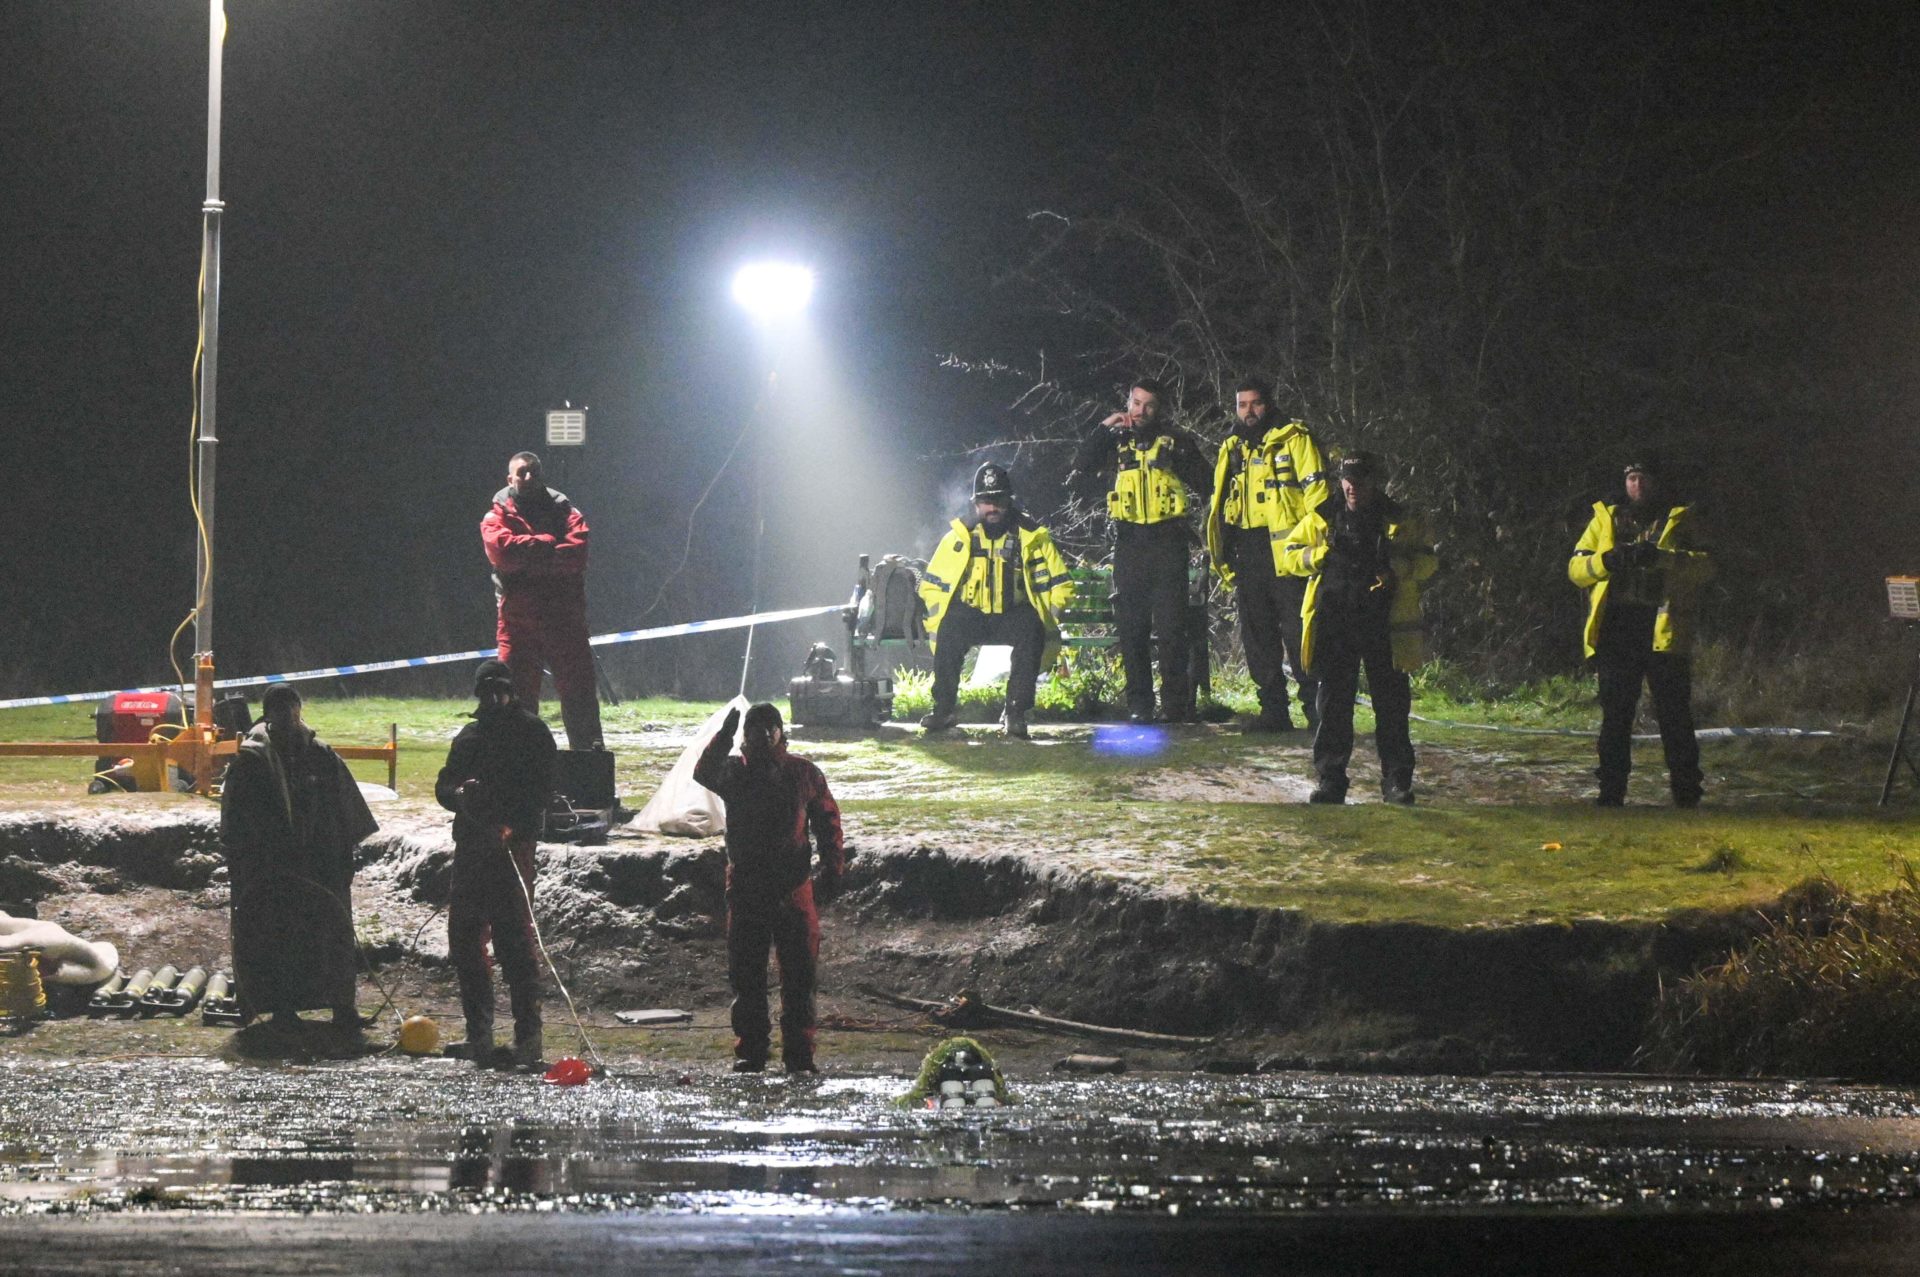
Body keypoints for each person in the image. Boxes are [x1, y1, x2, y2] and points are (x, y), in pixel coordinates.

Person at [693, 702, 845, 1074]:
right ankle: (751, 1053)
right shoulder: (733, 772)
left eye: (770, 727)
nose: (764, 734)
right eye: (756, 728)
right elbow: (703, 771)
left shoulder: (803, 773)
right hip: (747, 892)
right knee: (747, 980)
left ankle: (800, 1055)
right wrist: (723, 735)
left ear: (781, 731)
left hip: (793, 892)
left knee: (799, 981)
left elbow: (828, 823)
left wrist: (832, 869)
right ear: (746, 735)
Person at [1280, 452, 1438, 804]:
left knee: (1392, 705)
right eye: (1348, 480)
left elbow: (1428, 561)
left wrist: (1395, 569)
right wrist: (1319, 556)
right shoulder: (1323, 515)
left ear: (1374, 482)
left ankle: (1396, 781)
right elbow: (1290, 554)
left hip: (1385, 623)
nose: (1353, 488)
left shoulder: (1397, 518)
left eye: (1360, 481)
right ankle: (1331, 780)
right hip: (1336, 621)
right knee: (1334, 705)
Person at [220, 684, 378, 1035]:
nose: (289, 717)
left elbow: (347, 810)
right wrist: (248, 866)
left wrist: (343, 858)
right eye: (280, 710)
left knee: (331, 937)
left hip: (321, 868)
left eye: (293, 709)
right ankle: (281, 1010)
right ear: (269, 715)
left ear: (300, 710)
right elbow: (235, 825)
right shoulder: (251, 762)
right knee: (277, 938)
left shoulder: (321, 756)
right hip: (272, 871)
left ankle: (342, 1008)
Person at [1568, 459, 1715, 807]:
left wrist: (1662, 558)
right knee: (1616, 716)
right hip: (1618, 627)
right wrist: (1607, 561)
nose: (1638, 486)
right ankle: (1611, 791)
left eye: (1645, 478)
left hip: (1664, 629)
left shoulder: (1681, 519)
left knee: (1674, 715)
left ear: (1658, 482)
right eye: (1632, 478)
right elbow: (1576, 569)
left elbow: (1707, 566)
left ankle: (1687, 792)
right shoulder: (1605, 519)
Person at [435, 659, 558, 1069]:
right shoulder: (468, 736)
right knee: (466, 941)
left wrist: (512, 825)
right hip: (471, 849)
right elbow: (444, 784)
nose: (493, 698)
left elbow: (544, 789)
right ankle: (480, 1036)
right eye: (486, 692)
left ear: (511, 691)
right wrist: (459, 795)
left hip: (511, 849)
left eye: (499, 690)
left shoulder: (532, 733)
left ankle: (528, 1038)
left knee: (514, 942)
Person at [1071, 377, 1213, 722]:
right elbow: (1082, 463)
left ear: (1159, 408)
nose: (1141, 411)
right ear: (1128, 402)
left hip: (1169, 542)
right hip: (1130, 542)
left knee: (1171, 629)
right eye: (1136, 403)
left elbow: (1208, 482)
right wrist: (1104, 427)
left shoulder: (1176, 441)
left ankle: (1175, 705)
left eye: (1149, 405)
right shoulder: (1116, 442)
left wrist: (1179, 456)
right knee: (1131, 628)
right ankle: (1139, 705)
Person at [1203, 377, 1328, 731]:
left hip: (1289, 553)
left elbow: (1318, 497)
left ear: (1269, 403)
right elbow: (1222, 499)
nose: (1249, 411)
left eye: (1255, 404)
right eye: (1242, 405)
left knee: (1299, 632)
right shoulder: (1232, 447)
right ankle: (1273, 711)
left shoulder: (1295, 439)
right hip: (1249, 551)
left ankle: (1317, 709)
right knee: (1258, 637)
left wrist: (1318, 548)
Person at [918, 463, 1076, 739]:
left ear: (1009, 501)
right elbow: (932, 585)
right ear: (976, 503)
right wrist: (938, 617)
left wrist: (1049, 616)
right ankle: (943, 709)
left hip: (1013, 613)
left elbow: (1061, 583)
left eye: (998, 501)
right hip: (972, 614)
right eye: (986, 501)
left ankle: (1015, 712)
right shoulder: (959, 537)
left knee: (1032, 629)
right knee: (950, 627)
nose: (992, 508)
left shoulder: (1032, 536)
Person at [480, 450, 604, 750]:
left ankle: (589, 764)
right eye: (521, 472)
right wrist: (548, 543)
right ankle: (518, 767)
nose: (528, 476)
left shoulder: (567, 511)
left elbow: (576, 555)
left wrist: (527, 557)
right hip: (517, 625)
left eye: (534, 471)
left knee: (580, 696)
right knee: (514, 700)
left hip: (565, 621)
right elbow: (502, 552)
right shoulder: (495, 515)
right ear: (509, 478)